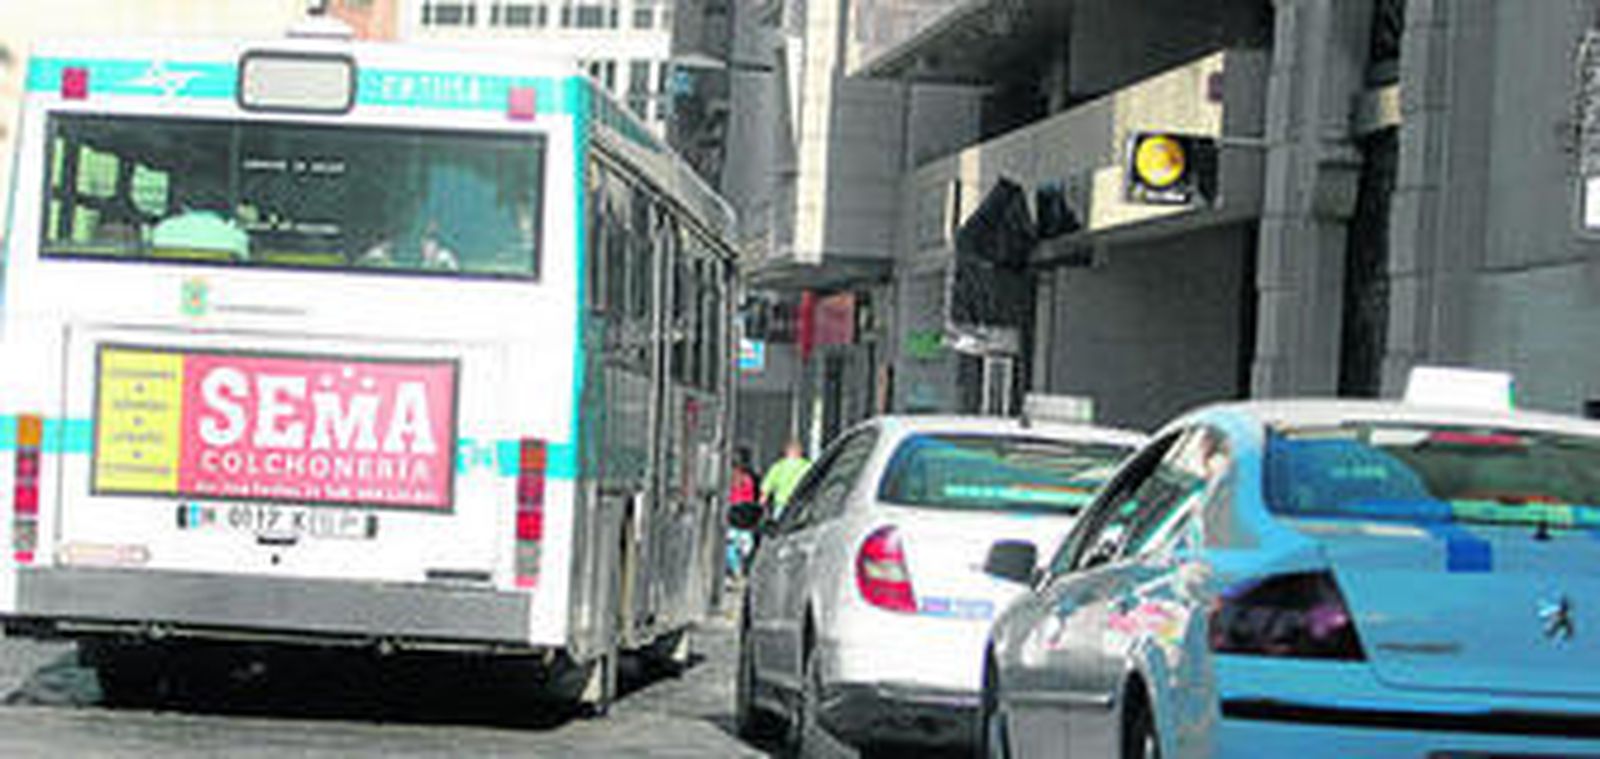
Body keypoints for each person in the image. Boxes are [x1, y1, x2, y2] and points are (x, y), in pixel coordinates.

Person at [725, 447, 760, 579]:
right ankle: (738, 569)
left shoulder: (731, 479)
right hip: (744, 517)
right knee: (742, 545)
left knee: (734, 544)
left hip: (737, 515)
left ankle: (736, 570)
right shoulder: (751, 478)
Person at [760, 439, 812, 521]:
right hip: (799, 501)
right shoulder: (807, 465)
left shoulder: (779, 466)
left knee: (779, 523)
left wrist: (764, 497)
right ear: (800, 453)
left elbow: (767, 483)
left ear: (786, 453)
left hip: (782, 501)